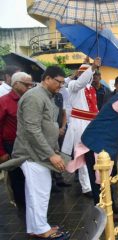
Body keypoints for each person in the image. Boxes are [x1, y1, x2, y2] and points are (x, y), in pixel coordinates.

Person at [0, 66, 70, 239]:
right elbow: (32, 129)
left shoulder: (45, 96)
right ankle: (41, 229)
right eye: (58, 82)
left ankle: (35, 227)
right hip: (33, 155)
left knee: (35, 193)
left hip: (39, 154)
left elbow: (45, 125)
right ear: (47, 79)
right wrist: (51, 154)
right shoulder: (34, 96)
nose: (60, 86)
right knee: (40, 193)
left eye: (62, 83)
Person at [62, 57, 101, 197]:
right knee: (82, 154)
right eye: (86, 74)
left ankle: (94, 181)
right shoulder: (73, 85)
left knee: (93, 154)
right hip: (79, 124)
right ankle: (86, 187)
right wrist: (92, 67)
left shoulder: (91, 88)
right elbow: (81, 82)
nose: (90, 77)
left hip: (91, 124)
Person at [0, 72, 33, 212]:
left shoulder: (30, 99)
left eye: (31, 84)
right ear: (16, 84)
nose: (29, 87)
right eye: (26, 84)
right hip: (11, 145)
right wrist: (1, 152)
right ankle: (24, 208)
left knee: (30, 176)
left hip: (30, 144)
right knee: (17, 178)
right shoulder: (4, 101)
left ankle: (31, 205)